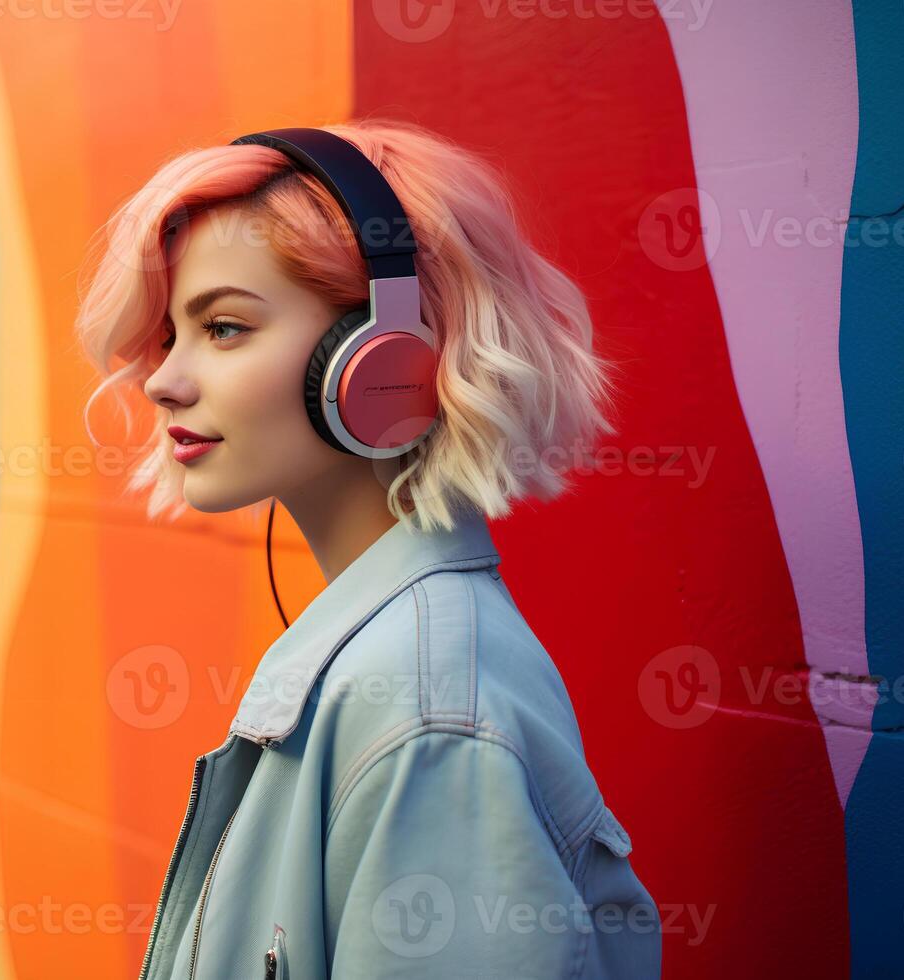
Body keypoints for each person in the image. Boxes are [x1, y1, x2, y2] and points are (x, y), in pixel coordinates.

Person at [74, 118, 661, 979]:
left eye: (225, 327)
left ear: (385, 359)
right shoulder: (392, 669)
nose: (162, 378)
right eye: (170, 335)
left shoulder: (429, 720)